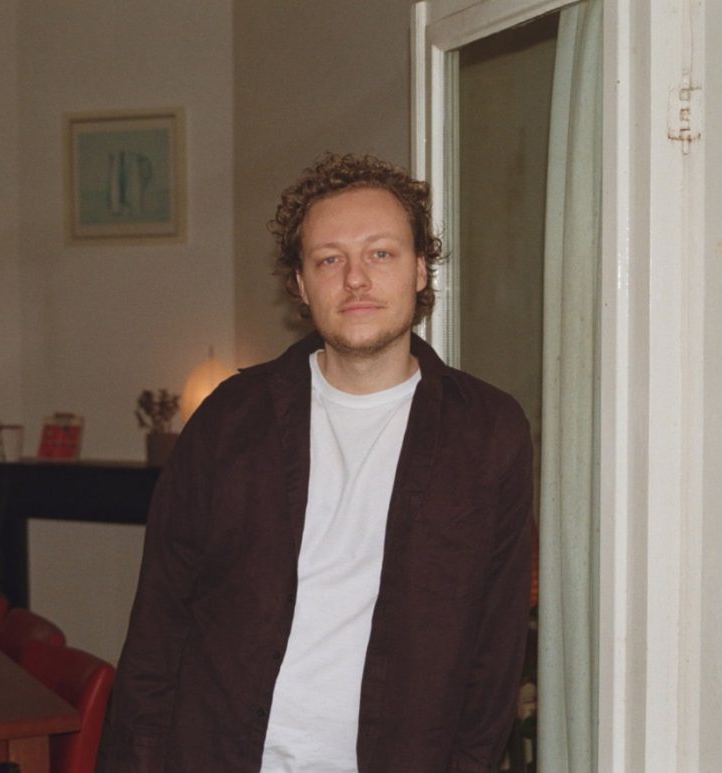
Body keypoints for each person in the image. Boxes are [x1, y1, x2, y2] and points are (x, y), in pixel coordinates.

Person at [97, 153, 533, 773]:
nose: (355, 279)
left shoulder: (488, 434)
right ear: (301, 284)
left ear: (419, 269)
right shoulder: (229, 420)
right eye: (330, 259)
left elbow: (495, 648)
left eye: (380, 253)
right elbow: (158, 624)